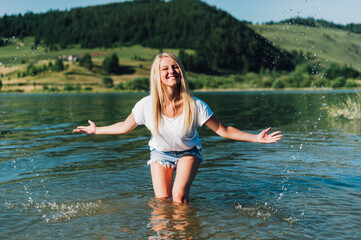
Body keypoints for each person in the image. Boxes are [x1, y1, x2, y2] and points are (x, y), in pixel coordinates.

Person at [74, 52, 282, 204]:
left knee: (179, 197)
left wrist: (256, 138)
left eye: (175, 67)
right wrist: (96, 130)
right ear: (157, 75)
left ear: (181, 72)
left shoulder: (196, 105)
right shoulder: (146, 105)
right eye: (165, 68)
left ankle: (186, 233)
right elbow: (125, 126)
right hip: (160, 154)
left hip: (188, 153)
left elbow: (223, 129)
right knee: (162, 201)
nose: (171, 71)